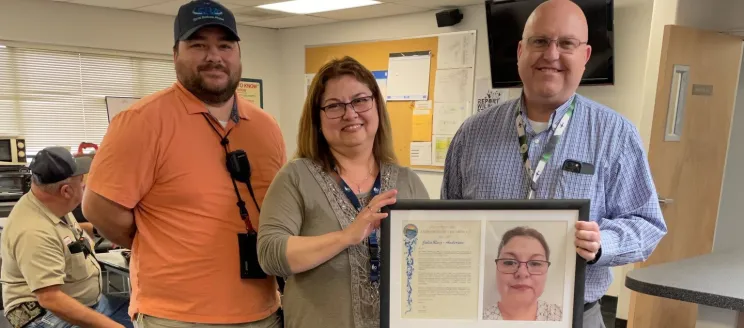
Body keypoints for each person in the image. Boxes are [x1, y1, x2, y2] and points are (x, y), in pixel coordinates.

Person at [441, 0, 667, 326]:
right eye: (540, 41)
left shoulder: (616, 134)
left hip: (577, 316)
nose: (551, 54)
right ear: (520, 51)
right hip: (486, 314)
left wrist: (604, 242)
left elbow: (648, 224)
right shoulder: (472, 134)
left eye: (566, 44)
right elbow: (449, 218)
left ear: (585, 56)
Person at [81, 0, 285, 327]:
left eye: (224, 45)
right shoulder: (141, 122)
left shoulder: (265, 127)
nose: (214, 56)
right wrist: (162, 240)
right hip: (176, 316)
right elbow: (99, 209)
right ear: (175, 54)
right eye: (198, 45)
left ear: (238, 55)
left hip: (262, 310)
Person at [257, 56, 429, 328]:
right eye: (334, 106)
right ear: (318, 118)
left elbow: (428, 262)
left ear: (377, 107)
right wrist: (346, 236)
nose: (350, 114)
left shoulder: (407, 182)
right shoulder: (296, 177)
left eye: (360, 100)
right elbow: (270, 254)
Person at [0, 146, 132, 328]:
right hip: (43, 314)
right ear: (66, 191)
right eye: (81, 182)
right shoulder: (33, 231)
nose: (85, 186)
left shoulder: (52, 204)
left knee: (140, 313)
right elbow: (50, 299)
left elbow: (66, 237)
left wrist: (104, 230)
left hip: (82, 300)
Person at [483, 226, 561, 321]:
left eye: (535, 263)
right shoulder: (473, 321)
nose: (522, 273)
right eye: (509, 262)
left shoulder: (565, 318)